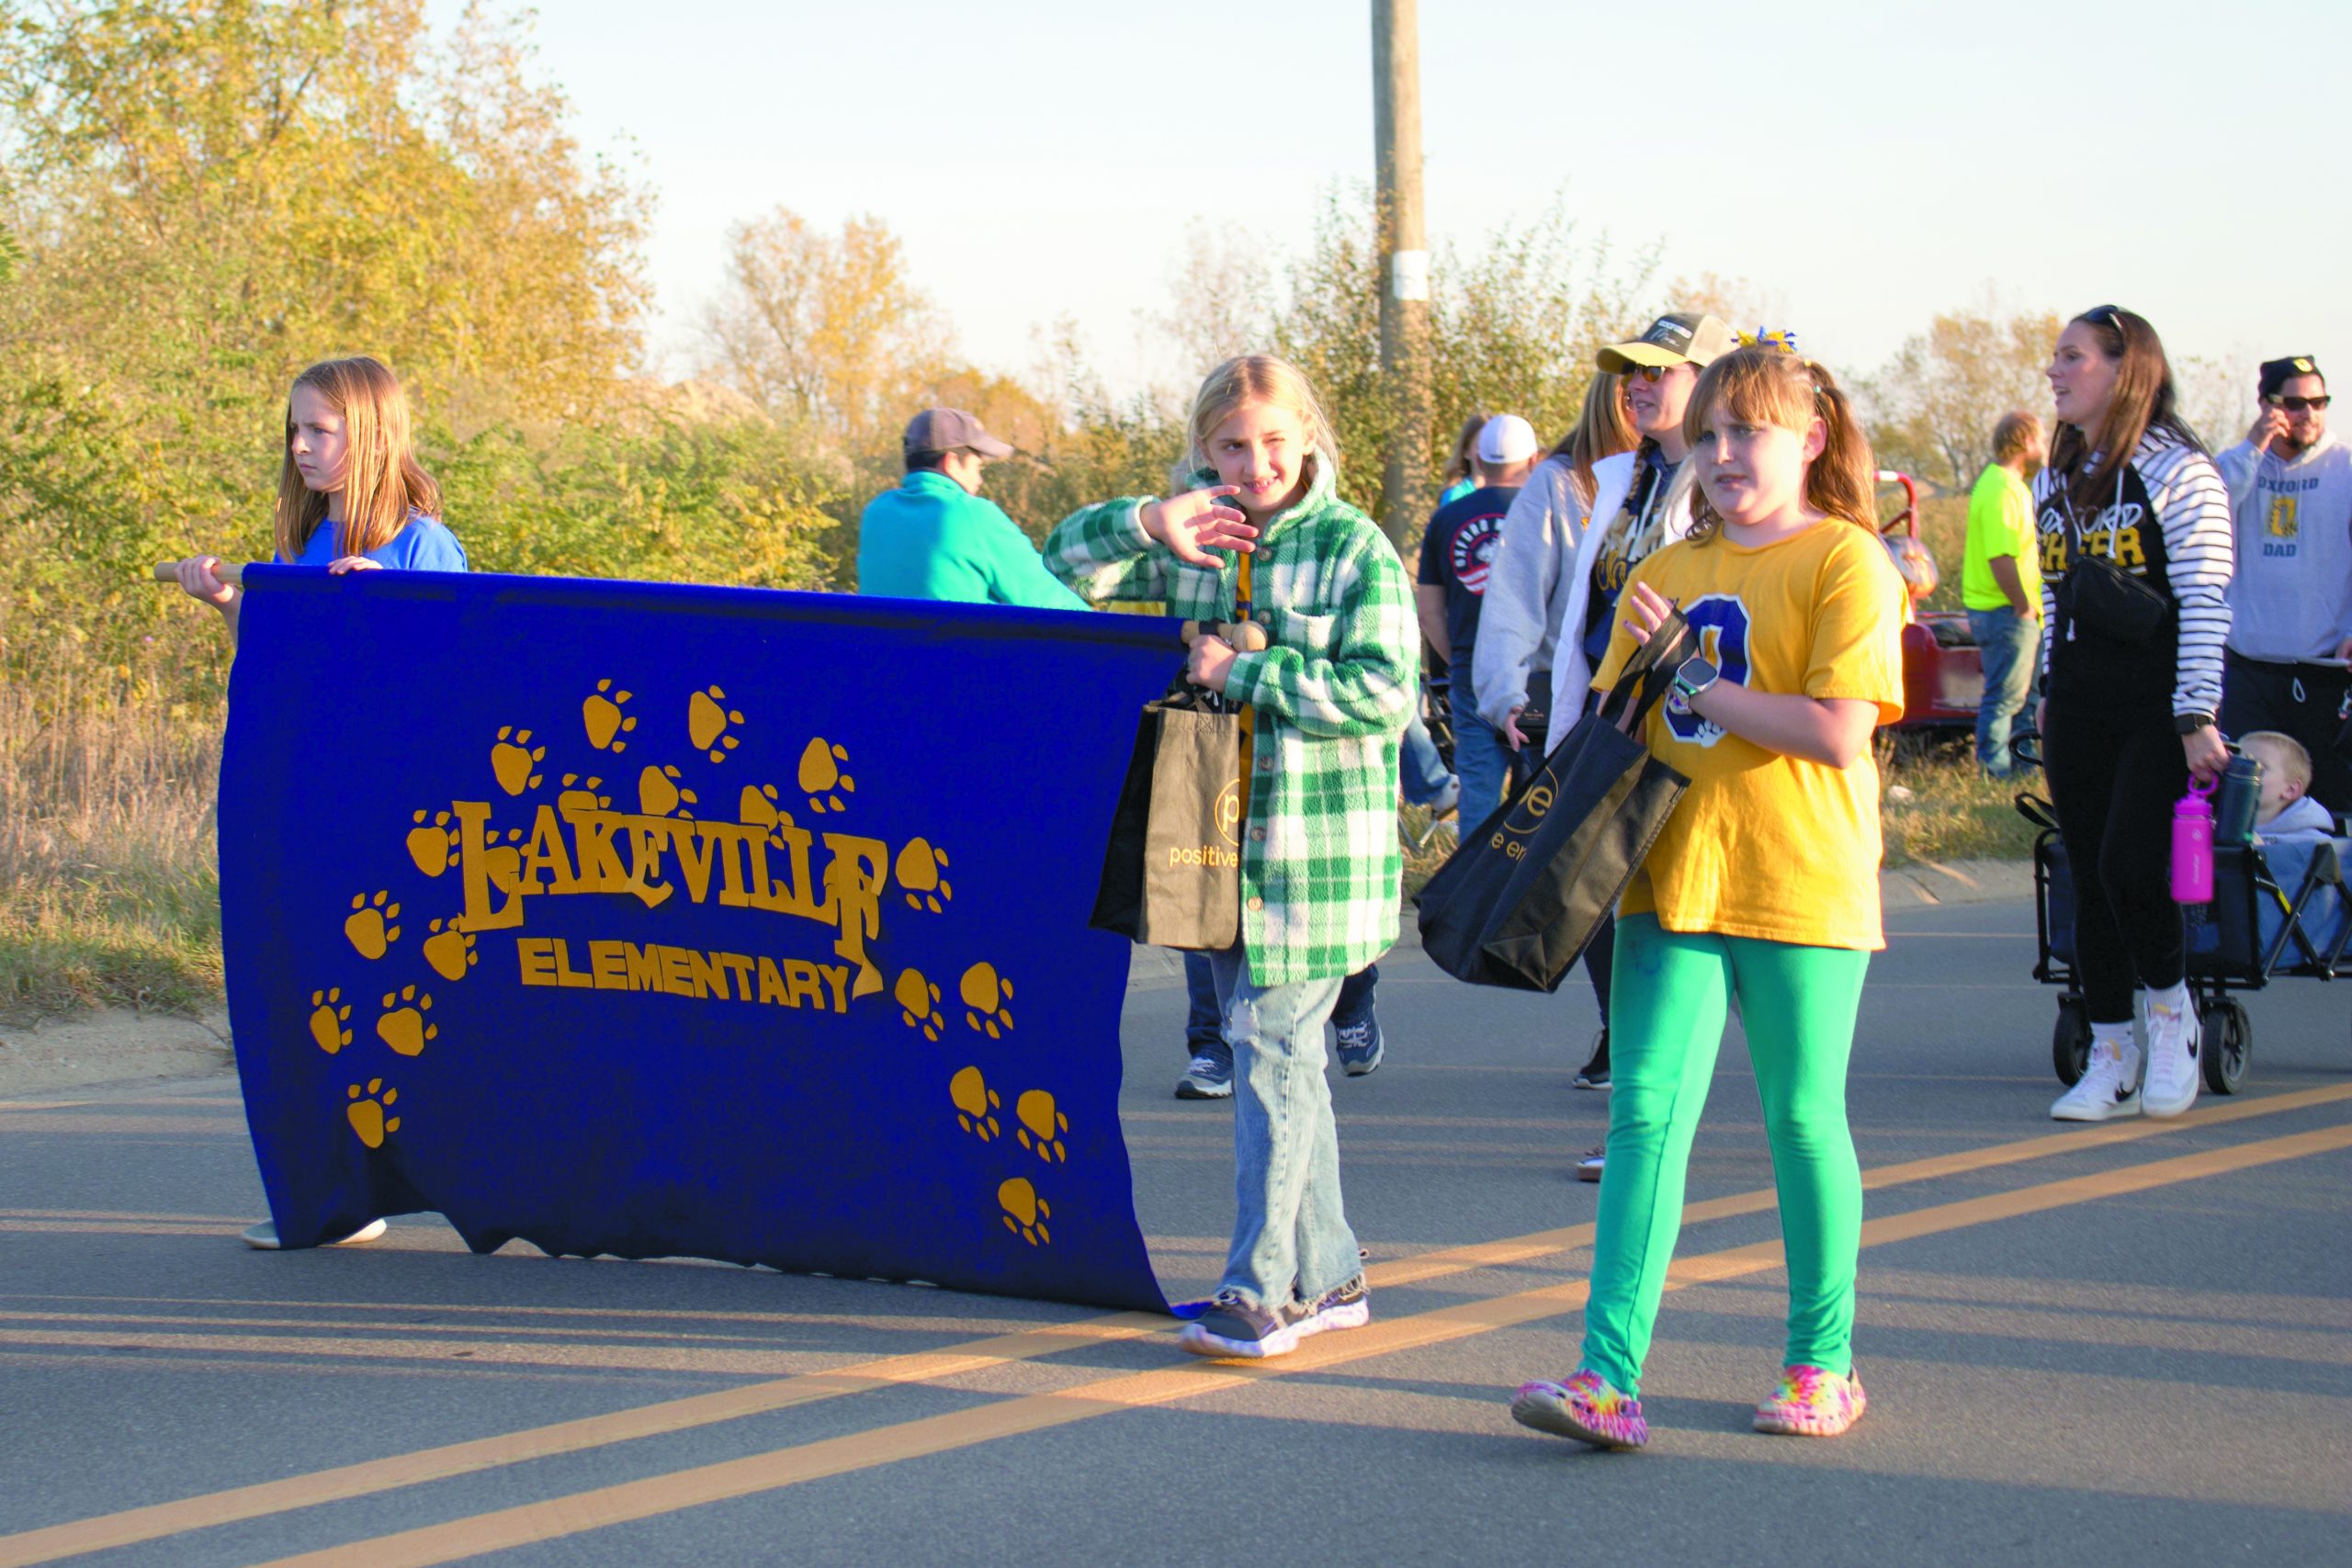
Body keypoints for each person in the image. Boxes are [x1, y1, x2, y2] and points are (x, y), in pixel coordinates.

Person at [1510, 342, 1907, 1450]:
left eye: (1754, 433)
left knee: (1799, 1121)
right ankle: (1605, 1375)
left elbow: (1837, 731)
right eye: (1714, 432)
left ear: (1812, 439)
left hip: (1800, 882)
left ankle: (1822, 1364)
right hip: (1666, 880)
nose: (1726, 455)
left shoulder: (1845, 561)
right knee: (1645, 1117)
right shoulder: (1663, 571)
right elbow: (1610, 732)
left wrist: (1692, 677)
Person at [1046, 355, 1416, 1359]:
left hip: (1314, 850)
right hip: (1206, 842)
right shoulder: (1193, 533)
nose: (1254, 463)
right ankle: (1333, 1273)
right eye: (1230, 446)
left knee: (1269, 1048)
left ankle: (1259, 1290)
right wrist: (1145, 523)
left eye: (1271, 442)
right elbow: (1056, 569)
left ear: (1307, 438)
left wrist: (1251, 671)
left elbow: (1387, 692)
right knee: (1282, 1062)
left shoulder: (1353, 549)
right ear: (1203, 448)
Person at [168, 353, 468, 1249]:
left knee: (406, 1012)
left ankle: (467, 1178)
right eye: (293, 429)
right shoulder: (304, 547)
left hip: (397, 821)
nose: (299, 446)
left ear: (368, 435)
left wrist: (399, 610)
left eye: (319, 430)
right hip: (315, 804)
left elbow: (456, 684)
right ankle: (336, 1195)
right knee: (314, 1003)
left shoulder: (423, 545)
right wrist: (230, 605)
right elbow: (289, 671)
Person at [2037, 307, 2233, 1123]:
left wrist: (2196, 713)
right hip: (2079, 699)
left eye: (2073, 357)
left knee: (2128, 864)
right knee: (2084, 871)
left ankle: (2170, 1013)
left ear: (2125, 370)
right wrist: (2047, 688)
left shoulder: (2179, 470)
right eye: (2055, 357)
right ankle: (2110, 1048)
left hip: (2155, 703)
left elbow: (2206, 596)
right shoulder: (2057, 474)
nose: (2055, 371)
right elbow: (2056, 598)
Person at [2216, 356, 2352, 814]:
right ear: (2267, 405)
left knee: (2330, 801)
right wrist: (2254, 446)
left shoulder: (2346, 467)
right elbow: (2210, 508)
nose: (2309, 413)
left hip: (2323, 671)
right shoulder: (2239, 464)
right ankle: (2246, 886)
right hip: (2249, 667)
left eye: (2318, 402)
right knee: (2243, 804)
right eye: (2295, 403)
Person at [1417, 412, 1540, 827]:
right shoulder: (1545, 517)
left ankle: (1474, 889)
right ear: (1534, 460)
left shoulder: (1446, 518)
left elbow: (1429, 609)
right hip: (1535, 671)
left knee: (1479, 795)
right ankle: (1527, 888)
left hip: (1471, 669)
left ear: (1479, 461)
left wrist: (1461, 662)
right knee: (1538, 795)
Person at [855, 408, 1085, 609]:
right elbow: (1044, 597)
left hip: (884, 657)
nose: (979, 480)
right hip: (960, 657)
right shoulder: (971, 515)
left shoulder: (876, 512)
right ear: (952, 462)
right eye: (978, 467)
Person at [1961, 411, 2046, 773]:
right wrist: (2023, 605)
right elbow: (2001, 556)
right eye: (2041, 439)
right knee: (2005, 698)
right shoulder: (2001, 489)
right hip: (2004, 610)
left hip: (2013, 611)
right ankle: (1994, 771)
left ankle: (2022, 768)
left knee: (2028, 698)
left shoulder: (2011, 486)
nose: (2045, 447)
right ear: (2026, 441)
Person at [2238, 730, 2335, 841]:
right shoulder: (2216, 827)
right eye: (2237, 761)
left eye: (2259, 766)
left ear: (2291, 789)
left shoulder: (2312, 845)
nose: (2242, 769)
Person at [1436, 412, 1489, 507]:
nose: (1487, 451)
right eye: (1480, 446)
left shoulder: (1512, 495)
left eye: (1492, 445)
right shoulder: (1455, 497)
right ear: (1466, 451)